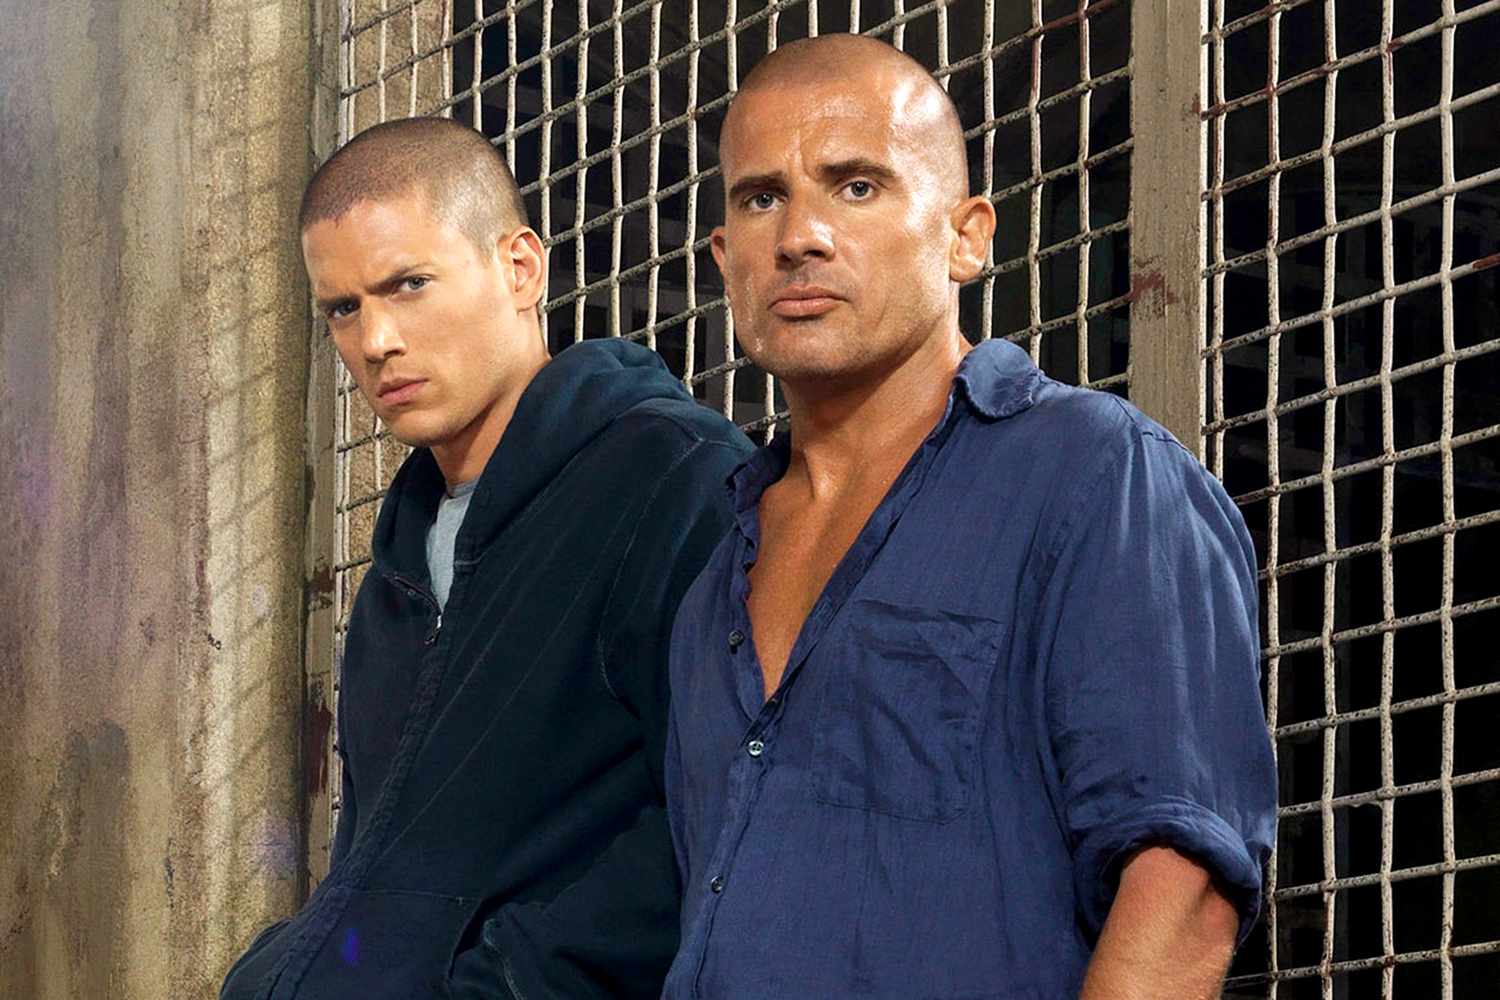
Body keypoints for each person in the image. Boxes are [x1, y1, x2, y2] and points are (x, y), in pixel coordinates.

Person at [662, 34, 1277, 1000]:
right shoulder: (714, 581)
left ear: (967, 237)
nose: (799, 236)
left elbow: (1182, 888)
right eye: (761, 198)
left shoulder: (1092, 474)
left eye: (855, 186)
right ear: (724, 258)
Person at [219, 117, 752, 1000]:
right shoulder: (397, 571)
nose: (376, 340)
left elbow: (723, 817)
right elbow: (380, 866)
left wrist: (497, 982)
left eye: (409, 285)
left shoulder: (670, 480)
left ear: (520, 269)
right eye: (344, 309)